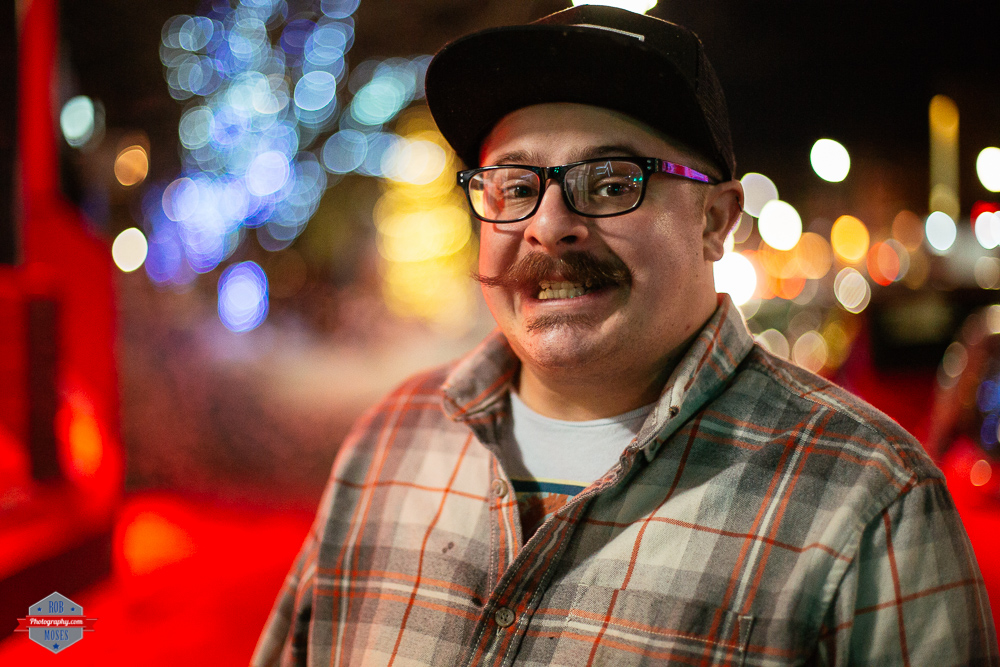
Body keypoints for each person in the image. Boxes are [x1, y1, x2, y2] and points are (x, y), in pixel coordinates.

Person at [253, 6, 998, 666]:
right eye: (514, 188)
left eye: (612, 182)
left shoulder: (870, 505)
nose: (548, 226)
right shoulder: (388, 444)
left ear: (715, 221)